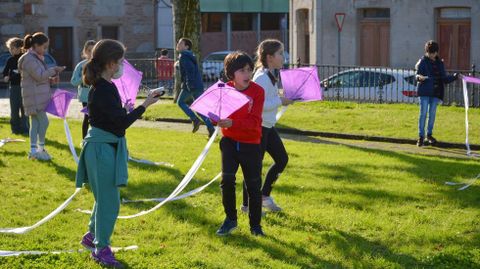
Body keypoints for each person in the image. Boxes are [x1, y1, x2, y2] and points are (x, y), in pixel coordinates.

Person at [76, 39, 160, 268]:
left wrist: (126, 109)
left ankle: (91, 236)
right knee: (109, 203)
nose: (122, 65)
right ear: (111, 63)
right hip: (101, 150)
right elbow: (120, 124)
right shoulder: (103, 89)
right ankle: (101, 248)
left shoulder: (104, 87)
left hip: (102, 148)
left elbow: (112, 118)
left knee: (103, 198)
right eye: (121, 61)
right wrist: (146, 105)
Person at [216, 51, 265, 236]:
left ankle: (255, 226)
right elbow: (215, 114)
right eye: (242, 71)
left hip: (251, 144)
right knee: (227, 181)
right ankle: (230, 220)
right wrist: (216, 120)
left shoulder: (257, 92)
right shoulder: (223, 89)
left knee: (253, 185)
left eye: (249, 70)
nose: (247, 74)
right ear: (231, 73)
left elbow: (255, 122)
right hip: (228, 142)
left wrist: (234, 123)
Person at [242, 39, 293, 214]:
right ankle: (247, 206)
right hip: (259, 128)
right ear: (270, 57)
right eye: (280, 53)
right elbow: (259, 103)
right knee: (254, 166)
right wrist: (281, 100)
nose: (283, 56)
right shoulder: (262, 76)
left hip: (268, 127)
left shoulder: (270, 74)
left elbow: (269, 97)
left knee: (282, 159)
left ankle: (264, 195)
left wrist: (282, 97)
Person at [18, 32, 66, 160]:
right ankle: (39, 149)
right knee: (44, 122)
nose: (45, 50)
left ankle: (34, 151)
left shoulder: (34, 58)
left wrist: (51, 80)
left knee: (35, 123)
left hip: (35, 95)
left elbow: (38, 78)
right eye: (44, 47)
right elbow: (39, 76)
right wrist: (54, 70)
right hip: (34, 97)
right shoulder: (29, 59)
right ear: (35, 45)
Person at [415, 40, 458, 147]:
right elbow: (417, 75)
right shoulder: (422, 62)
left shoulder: (440, 63)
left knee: (432, 114)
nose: (431, 55)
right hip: (424, 91)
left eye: (433, 53)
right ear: (427, 52)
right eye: (429, 53)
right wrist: (419, 78)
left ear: (436, 52)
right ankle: (421, 137)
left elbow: (444, 78)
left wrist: (456, 76)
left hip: (436, 92)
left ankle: (429, 135)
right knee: (423, 114)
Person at [176, 38, 215, 137]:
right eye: (178, 43)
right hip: (197, 84)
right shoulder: (188, 55)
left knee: (180, 102)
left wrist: (189, 85)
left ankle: (195, 119)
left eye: (180, 43)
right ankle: (211, 128)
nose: (178, 44)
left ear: (186, 47)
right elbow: (189, 69)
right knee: (198, 107)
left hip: (191, 85)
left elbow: (190, 71)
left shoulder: (184, 56)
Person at [2, 37, 28, 134]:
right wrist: (6, 77)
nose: (10, 50)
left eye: (12, 48)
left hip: (25, 87)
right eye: (10, 48)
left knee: (25, 109)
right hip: (14, 87)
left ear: (19, 48)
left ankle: (25, 129)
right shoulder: (10, 60)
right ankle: (15, 129)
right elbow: (5, 72)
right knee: (14, 109)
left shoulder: (25, 58)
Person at [71, 40, 96, 139]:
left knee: (97, 117)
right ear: (85, 51)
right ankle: (84, 140)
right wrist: (83, 77)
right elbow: (73, 82)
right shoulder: (81, 65)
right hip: (86, 96)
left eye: (93, 50)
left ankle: (95, 139)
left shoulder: (100, 64)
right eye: (89, 50)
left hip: (98, 95)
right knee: (87, 117)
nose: (91, 53)